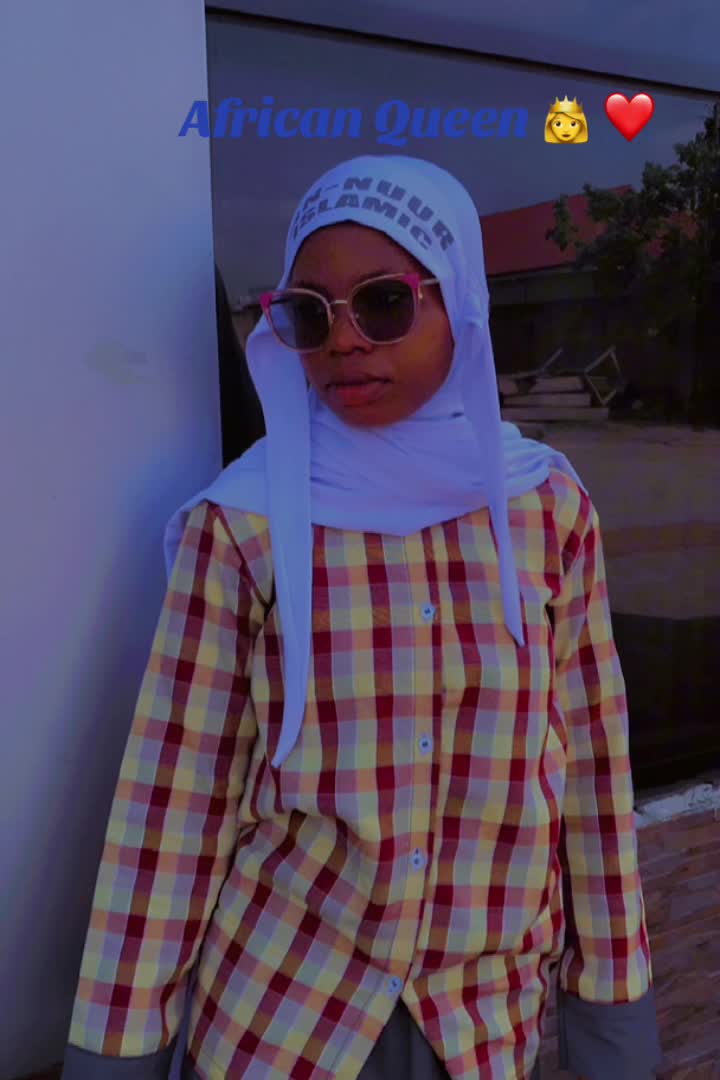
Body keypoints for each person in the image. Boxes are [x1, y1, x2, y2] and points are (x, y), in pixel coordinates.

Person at [61, 155, 663, 1080]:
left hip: (481, 1032)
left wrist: (612, 1020)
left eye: (383, 304)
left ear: (461, 305)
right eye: (310, 314)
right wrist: (118, 1053)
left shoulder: (547, 514)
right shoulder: (247, 526)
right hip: (279, 1024)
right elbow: (172, 808)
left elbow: (590, 780)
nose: (343, 342)